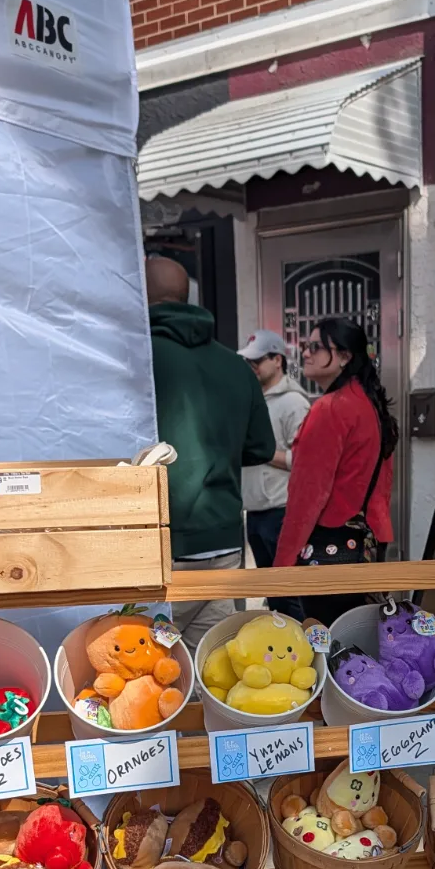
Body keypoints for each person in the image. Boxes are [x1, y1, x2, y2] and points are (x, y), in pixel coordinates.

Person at [146, 257, 275, 647]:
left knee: (145, 668)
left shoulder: (134, 360)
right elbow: (261, 447)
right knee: (211, 670)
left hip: (160, 544)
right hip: (223, 543)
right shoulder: (235, 366)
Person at [274, 317, 396, 628]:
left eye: (316, 347)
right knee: (358, 640)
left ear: (344, 357)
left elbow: (307, 494)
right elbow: (382, 486)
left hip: (332, 545)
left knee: (326, 645)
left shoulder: (330, 408)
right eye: (306, 346)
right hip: (367, 540)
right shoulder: (370, 403)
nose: (306, 353)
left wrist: (282, 565)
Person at [239, 329, 309, 615]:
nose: (253, 366)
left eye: (258, 360)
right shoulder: (255, 400)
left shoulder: (294, 402)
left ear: (277, 359)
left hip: (281, 513)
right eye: (250, 361)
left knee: (290, 595)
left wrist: (262, 452)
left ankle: (306, 654)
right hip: (256, 512)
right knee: (274, 596)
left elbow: (306, 461)